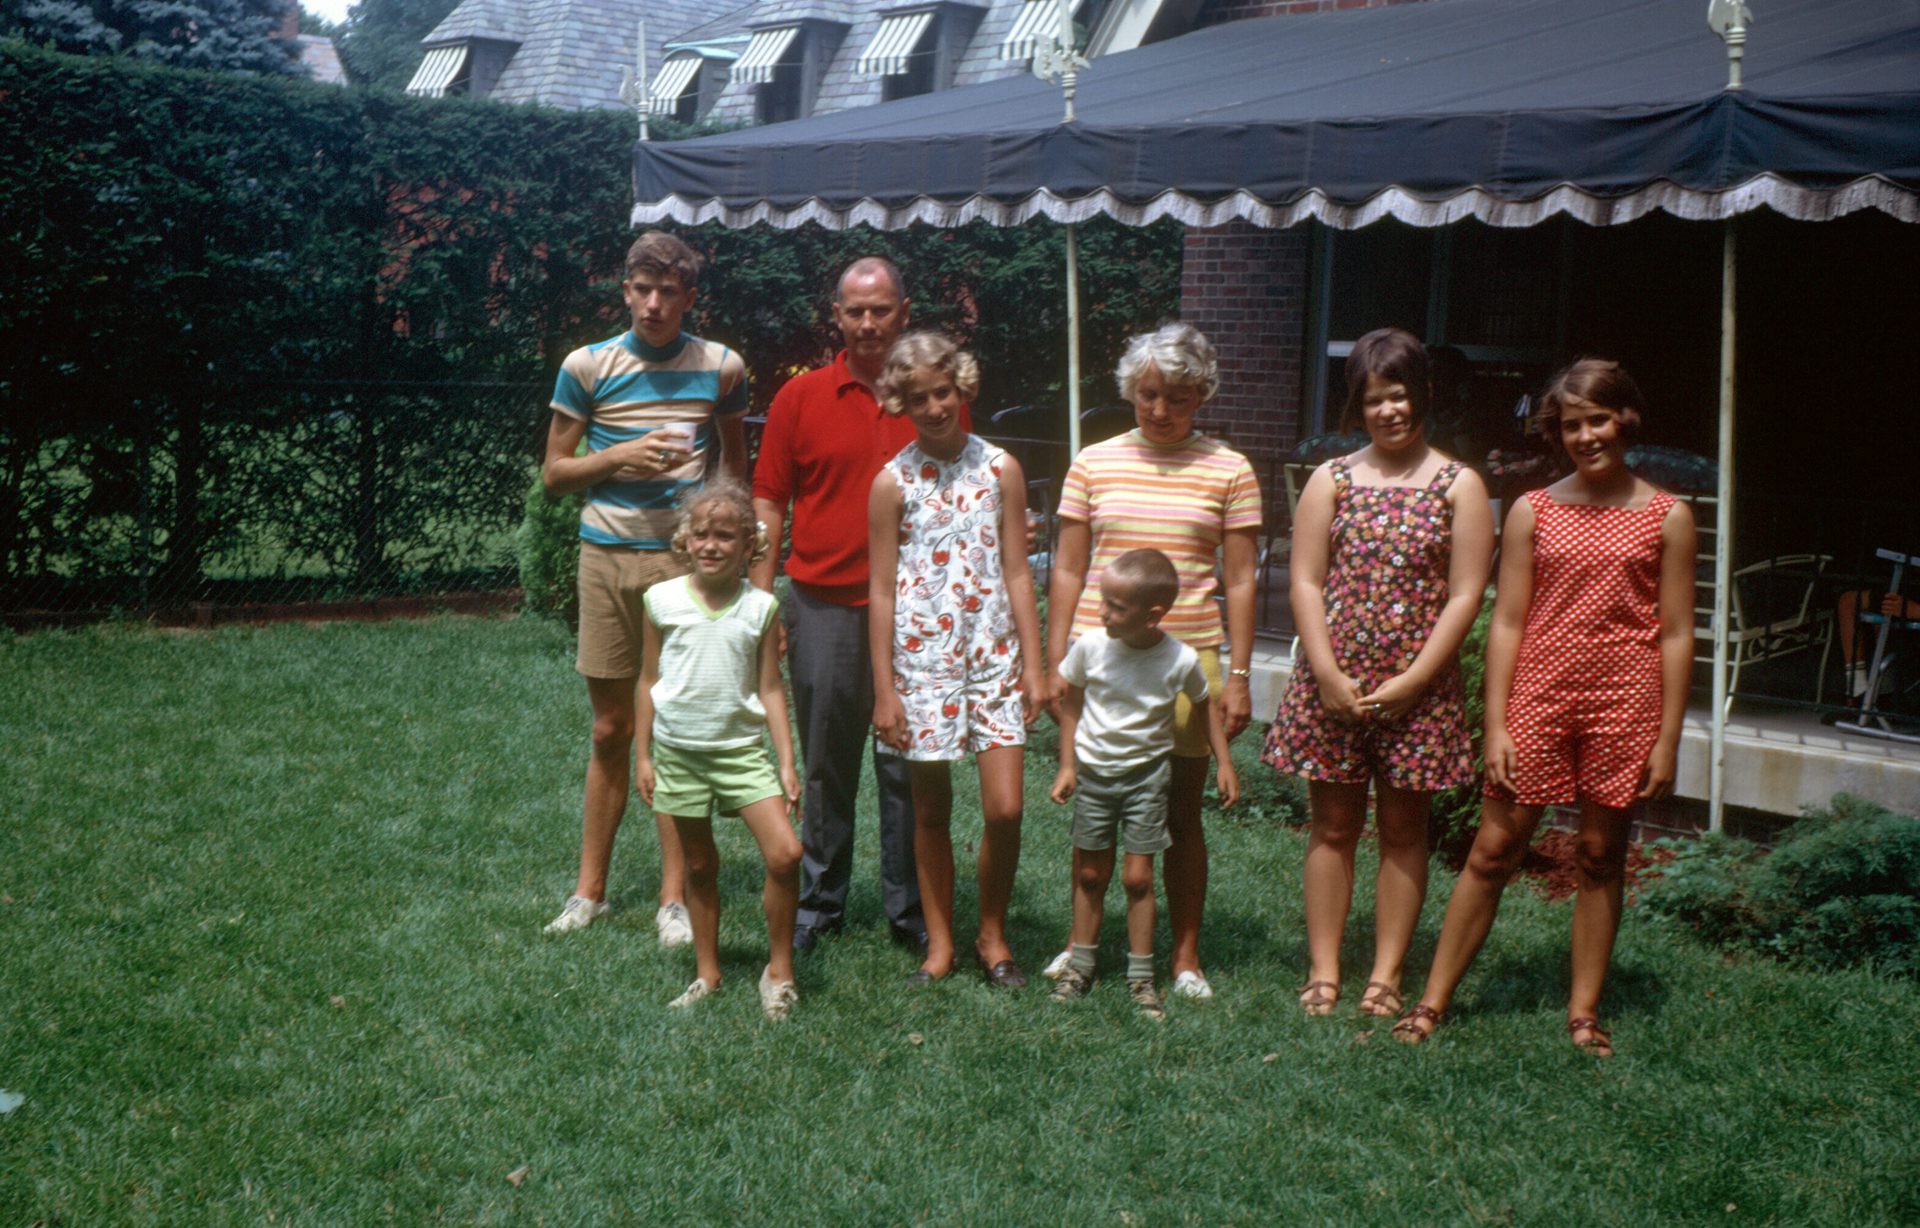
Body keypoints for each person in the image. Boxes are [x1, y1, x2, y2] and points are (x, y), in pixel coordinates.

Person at [1394, 358, 1695, 1056]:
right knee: (1494, 848)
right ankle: (1433, 1000)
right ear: (1556, 433)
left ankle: (1584, 1012)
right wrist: (1496, 722)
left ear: (1626, 420)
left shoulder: (1669, 517)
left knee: (1599, 854)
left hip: (1625, 702)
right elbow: (1506, 621)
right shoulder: (1534, 508)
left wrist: (1667, 738)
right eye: (1572, 425)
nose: (1587, 436)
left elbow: (1678, 632)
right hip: (1539, 695)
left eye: (1599, 420)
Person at [1262, 328, 1493, 1018]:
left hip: (1417, 693)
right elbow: (1305, 581)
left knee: (1402, 832)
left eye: (1398, 395)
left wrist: (1415, 681)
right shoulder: (1332, 480)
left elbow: (1466, 595)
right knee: (1332, 828)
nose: (1389, 411)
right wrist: (1327, 674)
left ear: (1422, 393)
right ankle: (1324, 970)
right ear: (1356, 408)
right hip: (1332, 685)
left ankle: (1386, 975)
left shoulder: (1459, 486)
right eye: (1373, 400)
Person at [1042, 323, 1261, 1000]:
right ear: (1130, 391)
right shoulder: (1094, 462)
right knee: (1098, 805)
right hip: (1104, 664)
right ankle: (1081, 944)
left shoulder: (1230, 468)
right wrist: (1054, 657)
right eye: (1148, 395)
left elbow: (1242, 579)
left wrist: (1240, 675)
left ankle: (1184, 958)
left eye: (1179, 398)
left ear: (1203, 396)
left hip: (1188, 665)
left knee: (1181, 815)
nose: (1161, 410)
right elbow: (1068, 567)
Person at [752, 257, 964, 954]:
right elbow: (769, 501)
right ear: (837, 317)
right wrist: (761, 604)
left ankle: (912, 910)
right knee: (826, 762)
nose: (868, 323)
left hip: (917, 613)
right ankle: (819, 903)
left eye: (880, 310)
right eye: (855, 311)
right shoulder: (800, 398)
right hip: (825, 605)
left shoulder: (933, 398)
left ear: (904, 311)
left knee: (909, 764)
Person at [541, 231, 749, 941]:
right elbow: (555, 473)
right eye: (642, 289)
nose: (654, 304)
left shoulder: (721, 366)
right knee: (610, 728)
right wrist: (622, 454)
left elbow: (734, 471)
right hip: (605, 558)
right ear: (625, 290)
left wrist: (729, 553)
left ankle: (673, 899)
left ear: (689, 297)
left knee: (674, 729)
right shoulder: (587, 365)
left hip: (682, 569)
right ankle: (589, 893)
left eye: (668, 292)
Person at [868, 332, 1043, 986]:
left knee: (1005, 808)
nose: (935, 407)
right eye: (919, 398)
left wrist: (1036, 665)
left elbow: (1019, 572)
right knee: (930, 810)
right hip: (921, 664)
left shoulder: (1001, 469)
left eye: (942, 392)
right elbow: (881, 590)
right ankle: (940, 946)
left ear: (961, 387)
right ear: (902, 403)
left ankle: (991, 934)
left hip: (994, 657)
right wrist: (885, 691)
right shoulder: (891, 483)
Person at [1047, 549, 1241, 1021]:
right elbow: (1070, 704)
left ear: (1152, 615)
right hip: (1095, 777)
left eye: (1116, 607)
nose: (1102, 613)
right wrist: (1067, 765)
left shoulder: (1180, 659)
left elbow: (1203, 707)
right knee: (1090, 873)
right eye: (1103, 601)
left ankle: (1141, 978)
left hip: (1147, 781)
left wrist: (1224, 762)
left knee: (1138, 878)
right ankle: (1081, 966)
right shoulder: (1090, 647)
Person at [638, 480, 804, 1019]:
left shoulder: (761, 607)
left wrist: (786, 761)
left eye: (725, 536)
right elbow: (647, 681)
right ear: (686, 540)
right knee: (699, 863)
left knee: (786, 853)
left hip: (741, 754)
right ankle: (707, 974)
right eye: (702, 534)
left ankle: (778, 971)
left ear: (748, 545)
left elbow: (771, 688)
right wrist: (643, 756)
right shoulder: (661, 601)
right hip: (679, 753)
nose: (711, 545)